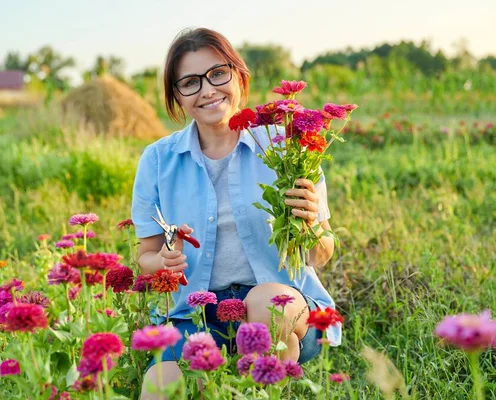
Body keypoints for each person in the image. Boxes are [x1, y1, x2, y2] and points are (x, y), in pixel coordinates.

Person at [132, 27, 340, 399]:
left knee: (265, 308)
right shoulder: (158, 160)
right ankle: (261, 371)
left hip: (284, 305)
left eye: (217, 74)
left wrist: (310, 226)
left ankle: (265, 376)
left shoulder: (287, 147)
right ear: (176, 96)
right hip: (196, 315)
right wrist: (161, 261)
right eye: (190, 83)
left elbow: (321, 255)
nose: (208, 90)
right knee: (160, 386)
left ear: (238, 75)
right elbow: (144, 257)